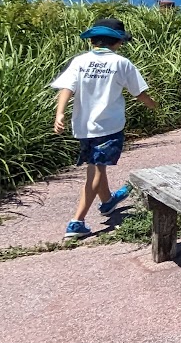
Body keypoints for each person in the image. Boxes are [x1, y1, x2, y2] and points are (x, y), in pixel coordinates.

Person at [50, 16, 156, 240]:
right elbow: (139, 93)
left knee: (97, 165)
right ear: (117, 42)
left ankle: (107, 202)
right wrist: (154, 105)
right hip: (108, 126)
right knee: (95, 171)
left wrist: (60, 113)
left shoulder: (80, 61)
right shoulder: (121, 63)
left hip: (83, 126)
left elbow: (66, 88)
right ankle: (76, 222)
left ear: (93, 41)